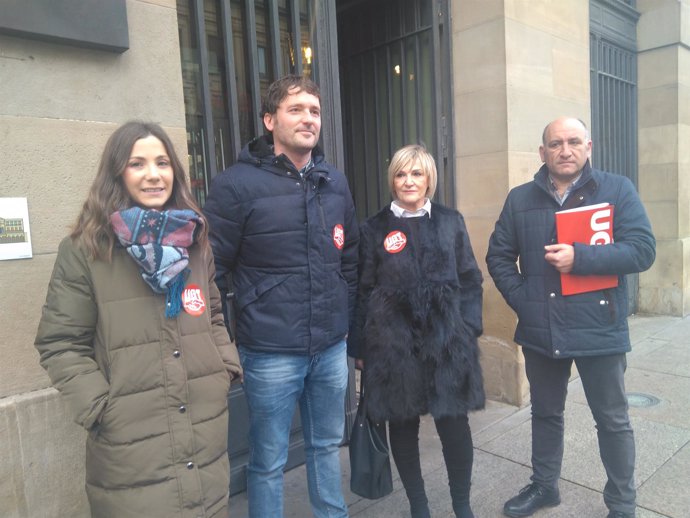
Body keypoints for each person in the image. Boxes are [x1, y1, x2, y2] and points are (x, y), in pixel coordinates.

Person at [34, 121, 242, 517]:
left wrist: (223, 367)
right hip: (130, 442)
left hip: (203, 428)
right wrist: (100, 407)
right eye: (137, 163)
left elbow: (212, 313)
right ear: (117, 173)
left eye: (162, 162)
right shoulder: (86, 249)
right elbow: (60, 343)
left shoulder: (196, 242)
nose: (153, 174)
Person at [203, 75, 359, 518]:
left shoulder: (334, 181)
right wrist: (230, 334)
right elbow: (213, 268)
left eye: (314, 110)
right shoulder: (236, 185)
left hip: (330, 346)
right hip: (270, 350)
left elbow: (350, 257)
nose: (308, 118)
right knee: (269, 461)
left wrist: (346, 324)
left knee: (327, 445)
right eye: (296, 109)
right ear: (270, 120)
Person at [486, 117, 656, 518]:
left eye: (574, 141)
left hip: (601, 326)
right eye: (556, 143)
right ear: (542, 152)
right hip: (541, 327)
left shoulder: (617, 189)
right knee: (545, 414)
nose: (566, 150)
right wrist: (524, 300)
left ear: (589, 146)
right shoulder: (520, 198)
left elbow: (642, 250)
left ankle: (622, 504)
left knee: (612, 420)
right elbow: (498, 256)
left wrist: (581, 257)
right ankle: (545, 487)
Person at [349, 145, 485, 518]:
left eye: (417, 174)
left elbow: (471, 278)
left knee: (455, 428)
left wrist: (468, 328)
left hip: (447, 343)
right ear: (392, 179)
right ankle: (419, 507)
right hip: (393, 345)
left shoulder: (450, 221)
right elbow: (363, 288)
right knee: (403, 428)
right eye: (400, 174)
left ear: (429, 179)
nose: (408, 181)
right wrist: (362, 345)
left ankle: (462, 505)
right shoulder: (373, 228)